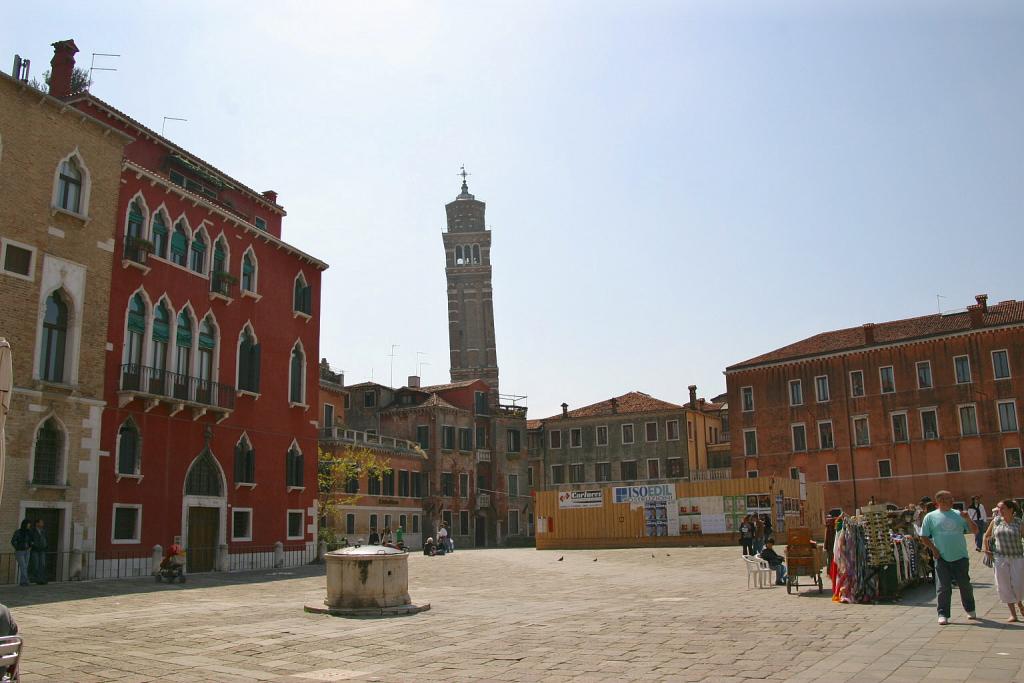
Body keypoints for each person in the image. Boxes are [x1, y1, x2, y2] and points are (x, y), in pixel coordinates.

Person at [919, 490, 978, 625]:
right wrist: (934, 549)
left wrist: (968, 519)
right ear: (939, 501)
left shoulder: (959, 514)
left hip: (960, 556)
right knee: (943, 587)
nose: (952, 501)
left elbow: (975, 530)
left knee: (965, 585)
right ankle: (943, 613)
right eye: (948, 499)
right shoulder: (930, 517)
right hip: (941, 557)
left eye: (952, 498)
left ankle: (970, 609)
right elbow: (923, 536)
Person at [981, 499, 1024, 622]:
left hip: (1017, 557)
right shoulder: (996, 521)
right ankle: (1013, 614)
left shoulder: (1019, 522)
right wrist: (987, 550)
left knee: (1018, 584)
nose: (999, 510)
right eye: (999, 508)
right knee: (1004, 585)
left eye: (1002, 508)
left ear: (1011, 509)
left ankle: (1020, 603)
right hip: (1000, 557)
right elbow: (987, 536)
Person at [9, 521, 32, 587]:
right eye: (28, 524)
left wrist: (30, 546)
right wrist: (18, 547)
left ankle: (23, 582)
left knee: (25, 566)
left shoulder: (29, 532)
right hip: (20, 551)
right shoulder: (18, 532)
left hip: (27, 551)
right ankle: (26, 580)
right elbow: (13, 541)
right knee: (23, 566)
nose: (29, 526)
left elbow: (31, 540)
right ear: (25, 524)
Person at [29, 518, 48, 585]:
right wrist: (33, 544)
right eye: (41, 522)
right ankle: (37, 579)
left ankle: (42, 579)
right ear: (37, 523)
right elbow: (30, 540)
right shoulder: (32, 531)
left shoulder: (43, 531)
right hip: (35, 550)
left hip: (42, 550)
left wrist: (46, 545)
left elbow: (46, 539)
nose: (42, 524)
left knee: (42, 565)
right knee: (36, 565)